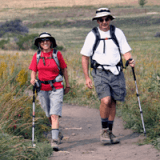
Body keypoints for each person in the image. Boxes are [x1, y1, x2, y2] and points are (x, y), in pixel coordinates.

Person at [80, 8, 135, 144]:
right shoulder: (92, 35)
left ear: (110, 19)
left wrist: (130, 60)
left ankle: (110, 131)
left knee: (113, 101)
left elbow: (125, 51)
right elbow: (85, 57)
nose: (104, 22)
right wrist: (87, 77)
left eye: (106, 19)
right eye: (101, 20)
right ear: (97, 21)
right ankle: (104, 131)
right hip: (100, 72)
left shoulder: (118, 33)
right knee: (106, 100)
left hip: (117, 71)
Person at [29, 32, 70, 151]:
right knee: (48, 114)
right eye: (42, 41)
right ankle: (56, 133)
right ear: (39, 44)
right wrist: (32, 79)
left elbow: (64, 70)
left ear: (51, 42)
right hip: (42, 88)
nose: (45, 42)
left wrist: (68, 85)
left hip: (56, 87)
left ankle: (54, 140)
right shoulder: (37, 55)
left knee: (54, 114)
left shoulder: (57, 54)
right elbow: (33, 70)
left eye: (47, 40)